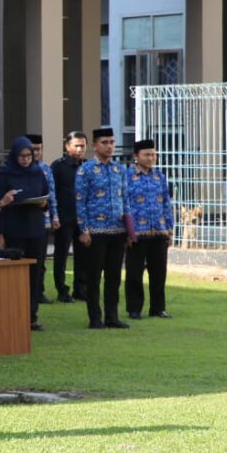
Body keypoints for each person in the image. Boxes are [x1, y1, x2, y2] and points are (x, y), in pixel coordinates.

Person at [76, 128, 131, 330]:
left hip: (117, 230)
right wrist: (84, 229)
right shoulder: (86, 170)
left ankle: (112, 316)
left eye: (112, 142)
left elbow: (125, 200)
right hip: (96, 231)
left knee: (114, 276)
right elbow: (80, 202)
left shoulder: (119, 170)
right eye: (105, 142)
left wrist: (129, 229)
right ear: (95, 145)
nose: (109, 146)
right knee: (94, 276)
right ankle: (95, 317)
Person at [0, 137, 51, 331]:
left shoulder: (38, 173)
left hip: (35, 228)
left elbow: (46, 196)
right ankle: (13, 315)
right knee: (15, 274)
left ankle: (31, 316)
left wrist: (44, 204)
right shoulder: (5, 175)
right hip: (14, 228)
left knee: (35, 274)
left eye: (29, 156)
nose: (26, 160)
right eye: (22, 156)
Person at [124, 139, 174, 320]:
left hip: (159, 231)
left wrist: (169, 230)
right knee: (134, 274)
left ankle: (158, 308)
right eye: (147, 154)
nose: (151, 158)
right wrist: (127, 232)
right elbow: (124, 205)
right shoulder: (127, 177)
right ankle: (134, 309)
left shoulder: (159, 176)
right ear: (136, 156)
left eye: (153, 154)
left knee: (159, 273)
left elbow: (166, 204)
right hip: (137, 233)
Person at [51, 131, 89, 303]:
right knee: (62, 254)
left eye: (83, 145)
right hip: (65, 217)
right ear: (67, 147)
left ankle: (80, 289)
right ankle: (61, 289)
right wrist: (54, 215)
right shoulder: (58, 166)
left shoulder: (88, 166)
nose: (80, 149)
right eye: (76, 145)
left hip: (83, 219)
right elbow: (53, 192)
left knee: (83, 255)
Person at [26, 134, 60, 304]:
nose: (35, 153)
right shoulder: (19, 170)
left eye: (38, 149)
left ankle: (39, 292)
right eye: (32, 149)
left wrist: (55, 216)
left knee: (41, 260)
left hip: (43, 220)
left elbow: (51, 194)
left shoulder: (46, 169)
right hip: (24, 222)